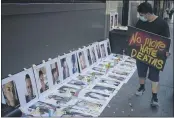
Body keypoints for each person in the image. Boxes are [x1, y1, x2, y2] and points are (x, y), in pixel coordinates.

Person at [135, 2, 170, 107]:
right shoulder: (140, 22)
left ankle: (154, 96)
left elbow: (166, 40)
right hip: (141, 52)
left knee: (155, 76)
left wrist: (166, 51)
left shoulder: (162, 24)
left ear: (148, 14)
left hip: (156, 55)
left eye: (142, 15)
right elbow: (135, 34)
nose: (140, 17)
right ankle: (142, 87)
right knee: (141, 71)